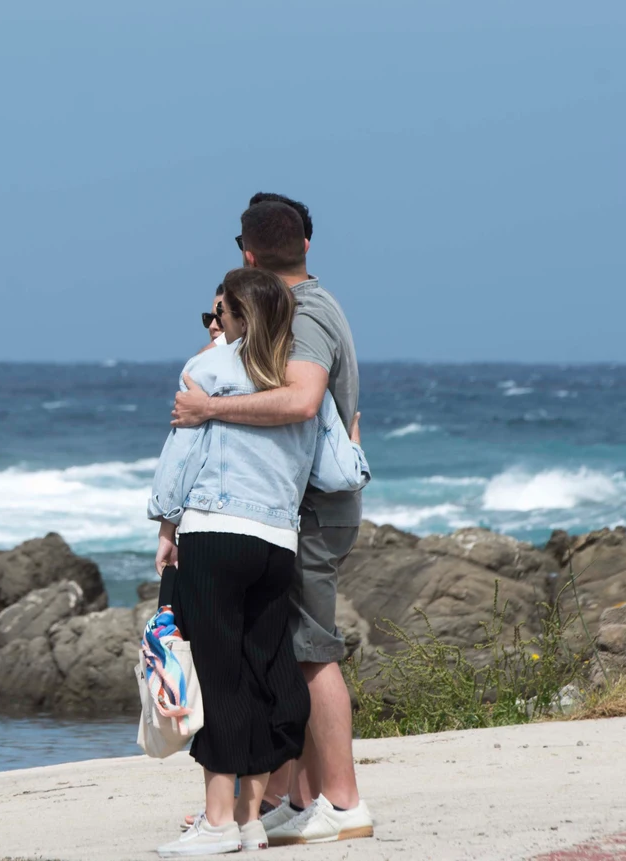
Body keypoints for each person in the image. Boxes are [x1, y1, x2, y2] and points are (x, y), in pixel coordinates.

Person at [171, 196, 374, 846]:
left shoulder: (303, 311)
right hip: (301, 511)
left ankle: (341, 801)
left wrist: (210, 409)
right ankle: (291, 799)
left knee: (311, 651)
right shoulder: (312, 303)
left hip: (307, 512)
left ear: (248, 256)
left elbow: (302, 398)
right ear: (306, 244)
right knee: (284, 650)